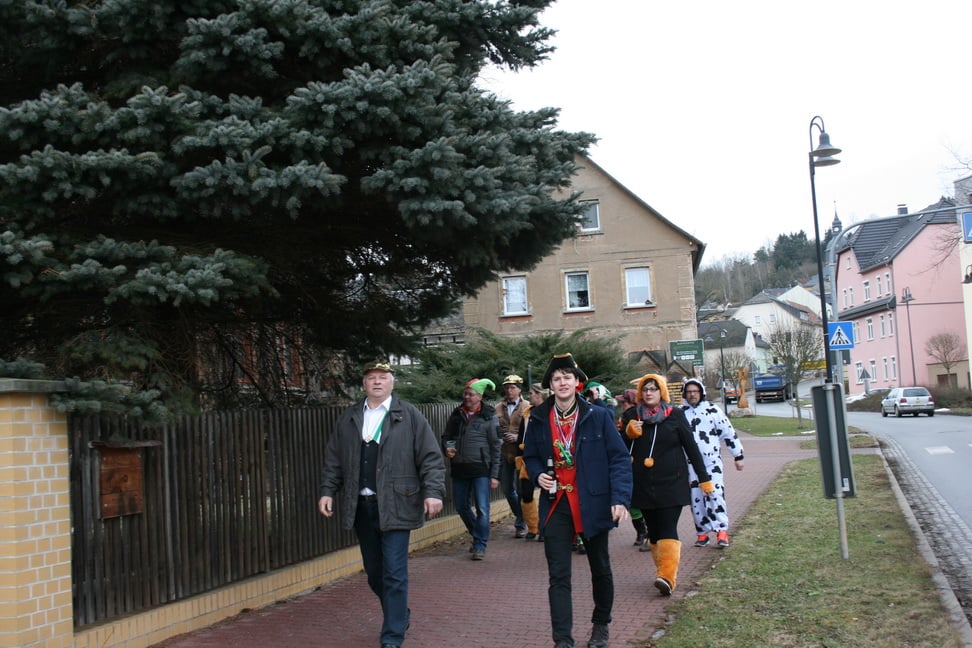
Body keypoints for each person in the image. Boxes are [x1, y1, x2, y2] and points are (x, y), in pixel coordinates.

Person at [318, 361, 446, 648]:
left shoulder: (409, 415)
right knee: (375, 573)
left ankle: (392, 635)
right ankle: (400, 614)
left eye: (383, 377)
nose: (377, 382)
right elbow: (334, 460)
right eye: (371, 378)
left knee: (394, 572)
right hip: (361, 506)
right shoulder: (349, 417)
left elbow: (431, 458)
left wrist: (433, 492)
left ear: (392, 382)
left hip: (398, 503)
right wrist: (327, 491)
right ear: (364, 383)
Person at [524, 353, 632, 648]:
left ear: (577, 383)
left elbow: (619, 459)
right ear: (550, 384)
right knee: (558, 575)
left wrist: (620, 498)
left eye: (567, 377)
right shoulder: (537, 418)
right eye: (556, 378)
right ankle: (562, 640)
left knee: (600, 567)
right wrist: (537, 475)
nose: (562, 383)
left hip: (592, 501)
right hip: (556, 503)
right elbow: (530, 456)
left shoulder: (598, 415)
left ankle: (601, 625)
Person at [621, 373, 714, 597]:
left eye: (653, 389)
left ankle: (668, 577)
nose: (649, 393)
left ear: (661, 392)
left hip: (672, 482)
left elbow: (691, 447)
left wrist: (704, 478)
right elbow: (620, 450)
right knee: (653, 532)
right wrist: (628, 433)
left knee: (667, 527)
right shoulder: (631, 416)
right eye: (645, 389)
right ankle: (663, 570)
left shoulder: (675, 415)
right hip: (642, 483)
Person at [679, 378, 745, 548]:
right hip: (689, 465)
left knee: (715, 494)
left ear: (701, 393)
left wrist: (738, 455)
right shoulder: (680, 413)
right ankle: (702, 532)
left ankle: (721, 530)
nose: (692, 395)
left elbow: (728, 432)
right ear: (684, 394)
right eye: (689, 392)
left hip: (711, 462)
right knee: (696, 498)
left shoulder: (712, 411)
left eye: (695, 391)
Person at [442, 378, 501, 560]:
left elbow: (496, 446)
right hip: (459, 468)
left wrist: (495, 475)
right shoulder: (456, 414)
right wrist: (448, 447)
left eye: (471, 394)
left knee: (483, 508)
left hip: (481, 469)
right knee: (461, 506)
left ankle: (480, 545)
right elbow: (447, 436)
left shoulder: (489, 417)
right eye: (465, 394)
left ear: (480, 397)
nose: (467, 397)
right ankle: (478, 534)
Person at [515, 382, 550, 540]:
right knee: (526, 493)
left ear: (539, 394)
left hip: (545, 457)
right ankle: (533, 527)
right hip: (527, 457)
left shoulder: (550, 411)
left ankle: (545, 528)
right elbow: (522, 435)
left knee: (547, 493)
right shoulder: (527, 413)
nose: (529, 396)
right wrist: (519, 456)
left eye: (531, 393)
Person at [496, 374, 529, 538]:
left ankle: (520, 523)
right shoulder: (498, 407)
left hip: (521, 454)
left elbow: (532, 431)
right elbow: (494, 429)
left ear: (519, 389)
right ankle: (521, 515)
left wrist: (518, 437)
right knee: (507, 489)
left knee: (522, 490)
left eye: (512, 387)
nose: (509, 390)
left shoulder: (527, 406)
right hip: (505, 453)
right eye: (507, 387)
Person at [616, 389, 649, 550]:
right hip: (637, 462)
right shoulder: (640, 414)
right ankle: (643, 531)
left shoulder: (632, 415)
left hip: (634, 462)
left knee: (636, 499)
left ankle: (644, 532)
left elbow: (625, 438)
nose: (622, 405)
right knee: (636, 499)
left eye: (624, 402)